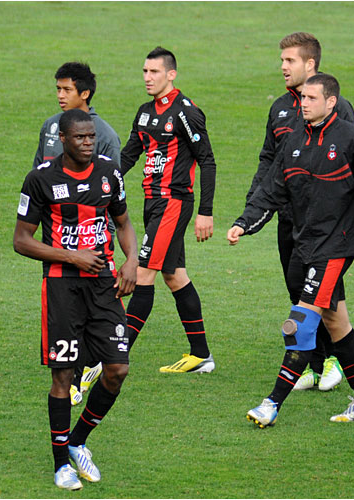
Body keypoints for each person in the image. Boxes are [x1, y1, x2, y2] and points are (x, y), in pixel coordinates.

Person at [227, 74, 354, 428]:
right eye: (303, 97)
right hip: (305, 244)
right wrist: (245, 222)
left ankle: (271, 404)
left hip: (337, 244)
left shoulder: (352, 139)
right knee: (336, 322)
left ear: (331, 102)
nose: (304, 103)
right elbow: (272, 189)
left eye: (312, 98)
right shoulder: (294, 141)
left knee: (298, 324)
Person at [14, 109, 138, 490]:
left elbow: (123, 222)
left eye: (91, 137)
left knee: (117, 369)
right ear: (64, 140)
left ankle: (78, 441)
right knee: (64, 377)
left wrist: (132, 260)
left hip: (103, 284)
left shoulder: (108, 172)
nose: (88, 143)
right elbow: (22, 240)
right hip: (61, 285)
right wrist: (72, 256)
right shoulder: (41, 179)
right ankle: (60, 465)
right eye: (80, 138)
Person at [245, 32, 354, 392]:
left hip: (325, 227)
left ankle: (338, 359)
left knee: (325, 296)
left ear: (310, 65)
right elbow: (268, 159)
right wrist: (252, 206)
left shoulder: (337, 106)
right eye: (282, 60)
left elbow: (350, 164)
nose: (282, 66)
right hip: (288, 220)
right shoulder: (279, 108)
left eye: (289, 61)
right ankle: (313, 362)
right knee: (298, 291)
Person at [119, 47, 217, 373]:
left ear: (171, 74)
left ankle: (113, 357)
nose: (147, 77)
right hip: (152, 204)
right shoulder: (145, 112)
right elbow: (129, 156)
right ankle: (201, 355)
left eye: (154, 72)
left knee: (143, 273)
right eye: (145, 71)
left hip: (174, 203)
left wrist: (206, 211)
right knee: (174, 276)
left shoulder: (186, 112)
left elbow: (207, 159)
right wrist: (98, 186)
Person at [32, 61, 122, 406]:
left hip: (95, 245)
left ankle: (85, 369)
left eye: (66, 89)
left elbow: (112, 192)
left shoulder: (107, 136)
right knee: (66, 313)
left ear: (84, 93)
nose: (59, 95)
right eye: (57, 89)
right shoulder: (49, 128)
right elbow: (38, 176)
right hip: (57, 245)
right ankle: (74, 371)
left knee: (90, 310)